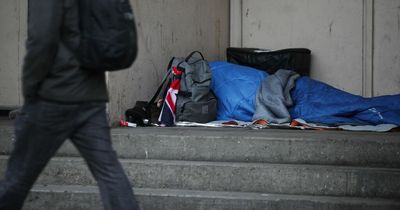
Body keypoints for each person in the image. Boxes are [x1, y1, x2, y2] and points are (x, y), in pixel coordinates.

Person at [0, 0, 139, 209]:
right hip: (92, 95)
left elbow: (42, 39)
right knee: (109, 173)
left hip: (53, 95)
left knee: (18, 177)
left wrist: (30, 87)